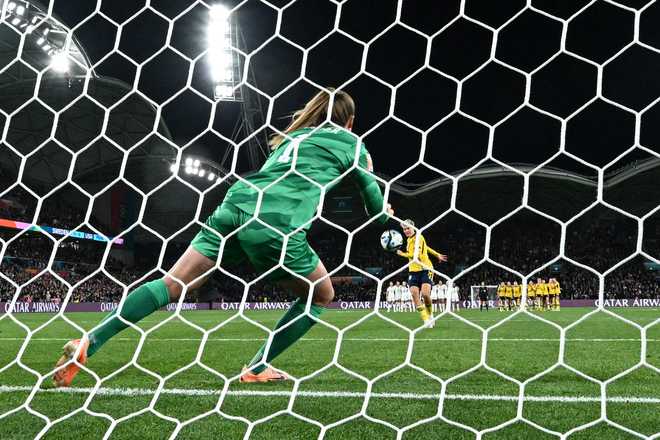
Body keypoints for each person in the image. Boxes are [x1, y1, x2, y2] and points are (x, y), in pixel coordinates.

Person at [52, 89, 394, 387]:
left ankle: (90, 341)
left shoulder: (291, 139)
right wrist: (390, 216)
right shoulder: (352, 143)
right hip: (276, 222)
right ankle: (257, 367)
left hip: (237, 203)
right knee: (321, 294)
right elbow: (374, 206)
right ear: (349, 120)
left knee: (174, 283)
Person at [395, 220, 447, 327]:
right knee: (414, 294)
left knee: (425, 294)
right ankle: (426, 320)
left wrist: (402, 254)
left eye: (408, 228)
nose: (406, 231)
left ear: (413, 227)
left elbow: (416, 256)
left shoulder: (419, 237)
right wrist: (436, 254)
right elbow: (426, 247)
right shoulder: (409, 239)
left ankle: (430, 314)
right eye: (404, 229)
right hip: (413, 271)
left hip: (425, 268)